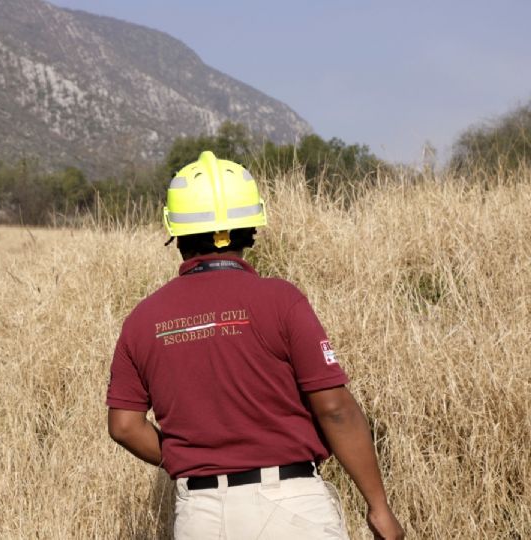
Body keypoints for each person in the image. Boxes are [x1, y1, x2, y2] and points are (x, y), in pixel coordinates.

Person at [106, 151, 405, 539]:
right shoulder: (281, 300)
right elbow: (335, 409)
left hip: (200, 517)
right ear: (251, 228)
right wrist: (378, 507)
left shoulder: (143, 319)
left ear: (175, 232)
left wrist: (191, 460)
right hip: (291, 506)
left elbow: (124, 426)